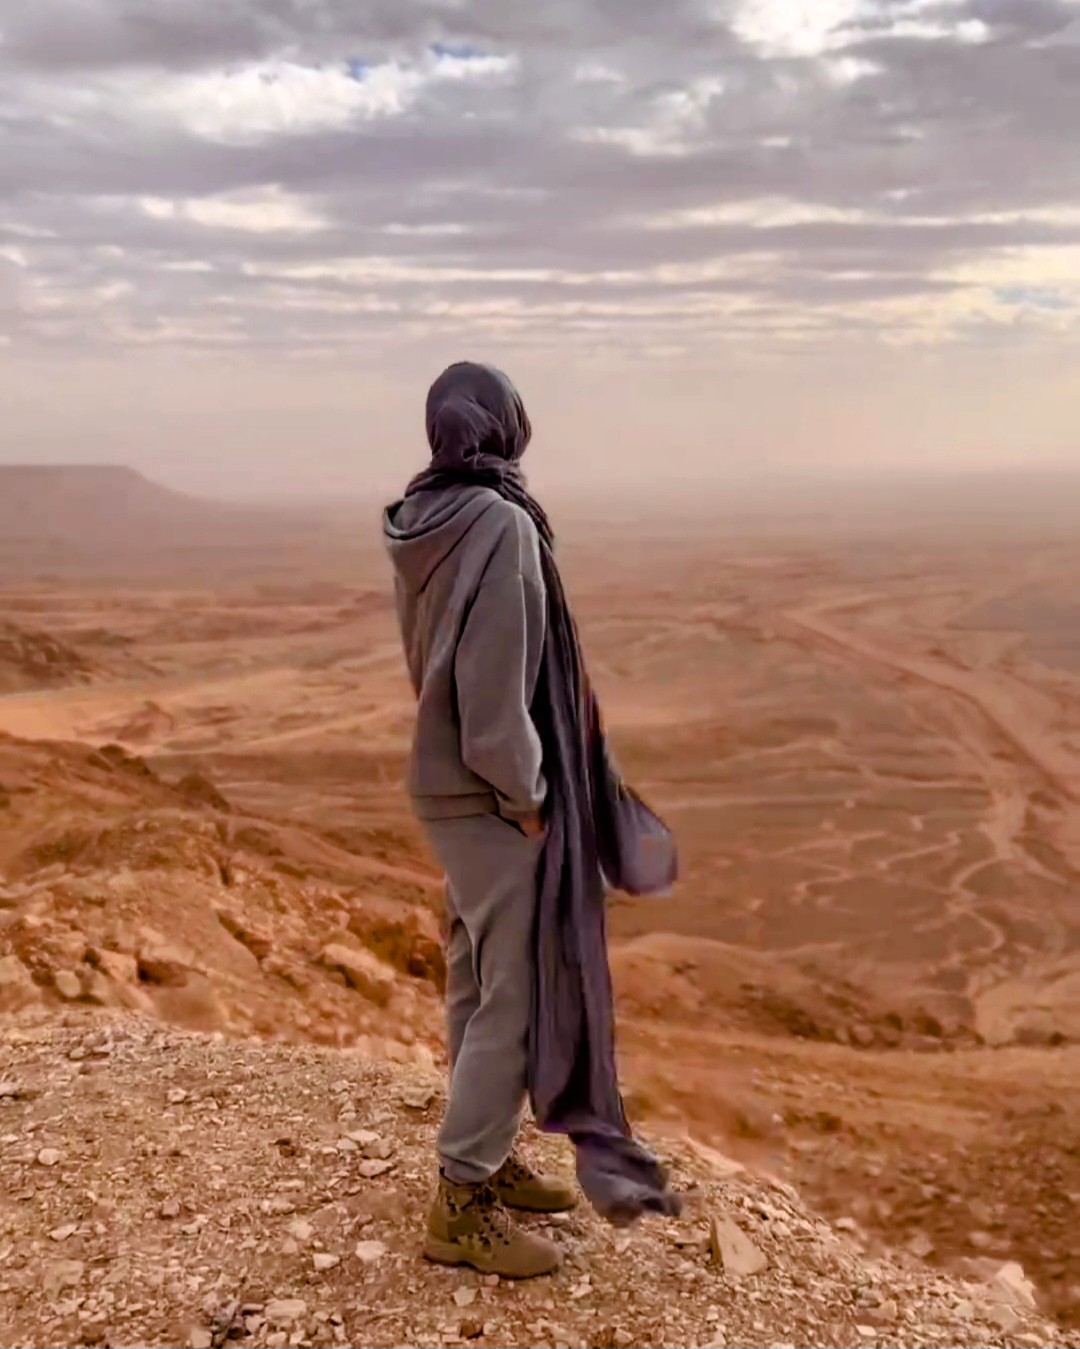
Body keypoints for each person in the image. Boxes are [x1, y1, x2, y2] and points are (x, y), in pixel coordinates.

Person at [384, 362, 678, 1281]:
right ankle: (461, 1201)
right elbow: (494, 695)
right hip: (492, 796)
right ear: (503, 426)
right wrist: (532, 798)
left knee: (478, 980)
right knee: (514, 996)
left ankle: (485, 1154)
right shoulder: (500, 523)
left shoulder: (423, 515)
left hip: (445, 787)